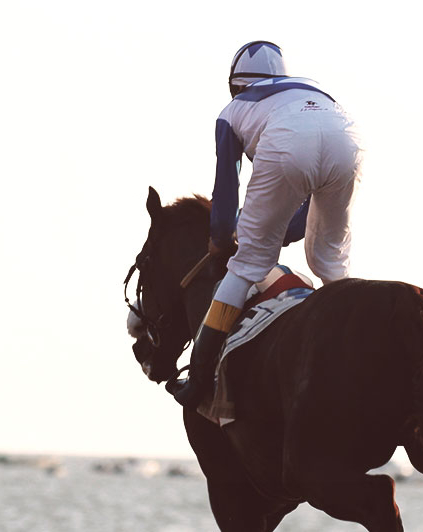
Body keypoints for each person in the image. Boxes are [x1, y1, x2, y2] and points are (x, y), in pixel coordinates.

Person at [171, 40, 363, 408]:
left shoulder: (233, 110)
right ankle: (356, 348)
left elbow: (226, 188)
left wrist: (221, 238)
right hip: (348, 140)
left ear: (235, 85)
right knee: (332, 264)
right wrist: (268, 233)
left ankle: (197, 382)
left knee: (244, 269)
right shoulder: (315, 92)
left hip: (287, 143)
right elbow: (301, 219)